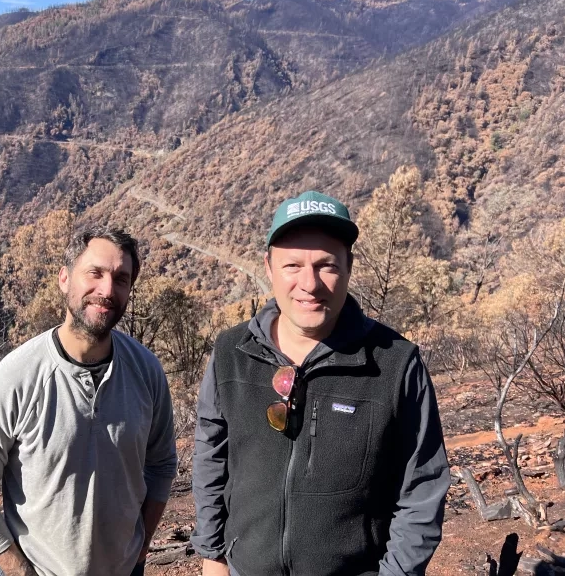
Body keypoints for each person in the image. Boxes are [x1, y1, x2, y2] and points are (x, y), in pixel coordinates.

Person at [191, 191, 450, 576]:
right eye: (292, 265)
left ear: (349, 266)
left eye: (326, 265)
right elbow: (211, 456)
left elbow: (422, 487)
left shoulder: (395, 362)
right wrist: (212, 557)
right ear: (269, 266)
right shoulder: (232, 351)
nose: (309, 284)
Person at [0, 226, 177, 576]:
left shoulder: (146, 371)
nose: (107, 290)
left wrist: (141, 548)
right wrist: (18, 571)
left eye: (121, 279)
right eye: (95, 273)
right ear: (64, 279)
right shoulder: (13, 379)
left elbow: (162, 465)